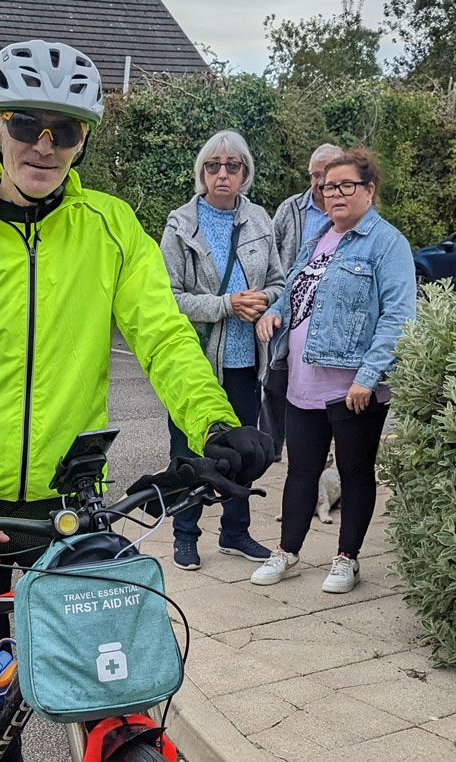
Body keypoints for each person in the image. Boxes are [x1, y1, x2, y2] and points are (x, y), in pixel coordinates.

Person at [0, 40, 273, 762]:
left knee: (102, 674)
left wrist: (215, 422)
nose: (45, 145)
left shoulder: (111, 228)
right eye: (27, 124)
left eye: (66, 129)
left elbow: (163, 337)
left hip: (70, 496)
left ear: (85, 137)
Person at [253, 149, 416, 594]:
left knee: (354, 471)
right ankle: (287, 550)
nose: (335, 193)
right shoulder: (318, 236)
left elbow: (400, 316)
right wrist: (276, 312)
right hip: (303, 381)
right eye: (328, 186)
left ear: (369, 190)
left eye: (347, 185)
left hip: (352, 389)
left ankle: (347, 559)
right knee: (300, 470)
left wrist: (368, 375)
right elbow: (295, 289)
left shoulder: (387, 243)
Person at [159, 129, 285, 571]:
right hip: (194, 360)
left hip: (246, 361)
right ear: (202, 173)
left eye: (232, 166)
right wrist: (225, 305)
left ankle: (235, 532)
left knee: (244, 449)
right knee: (189, 450)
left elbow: (279, 282)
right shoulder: (181, 225)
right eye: (213, 166)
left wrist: (264, 302)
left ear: (245, 173)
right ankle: (185, 534)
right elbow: (166, 297)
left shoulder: (259, 221)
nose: (222, 175)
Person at [263, 143, 345, 460]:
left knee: (321, 388)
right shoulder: (290, 209)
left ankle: (321, 450)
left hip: (327, 316)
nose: (318, 181)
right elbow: (271, 254)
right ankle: (271, 449)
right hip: (288, 309)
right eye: (313, 174)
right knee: (275, 381)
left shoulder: (351, 214)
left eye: (324, 174)